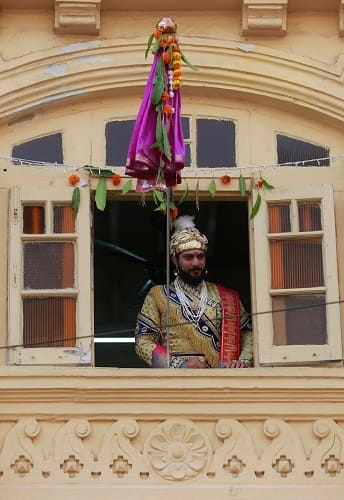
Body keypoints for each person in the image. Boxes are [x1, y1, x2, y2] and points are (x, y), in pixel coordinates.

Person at [135, 215, 253, 368]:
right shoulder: (157, 295)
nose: (196, 263)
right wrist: (179, 366)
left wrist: (242, 362)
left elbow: (247, 335)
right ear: (175, 261)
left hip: (222, 383)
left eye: (200, 257)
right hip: (176, 384)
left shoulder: (227, 296)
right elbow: (143, 341)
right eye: (188, 257)